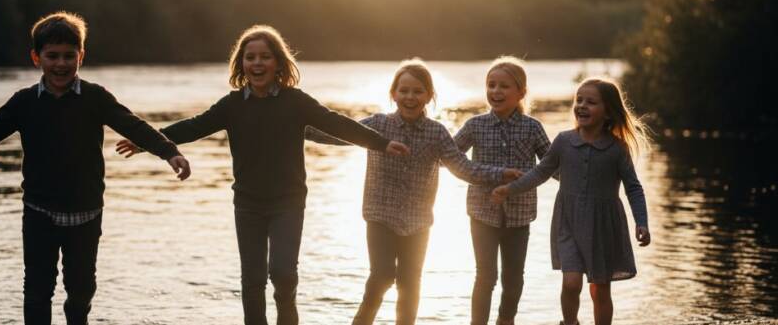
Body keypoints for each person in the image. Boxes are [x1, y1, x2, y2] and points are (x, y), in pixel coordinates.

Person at [116, 25, 409, 325]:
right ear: (241, 64)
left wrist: (381, 143)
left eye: (265, 57)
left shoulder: (295, 101)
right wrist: (147, 142)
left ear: (278, 63)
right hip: (248, 204)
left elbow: (336, 123)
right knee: (253, 279)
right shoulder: (231, 105)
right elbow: (193, 126)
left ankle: (287, 311)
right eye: (250, 57)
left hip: (288, 202)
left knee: (283, 274)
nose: (257, 63)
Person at [0, 12, 190, 325]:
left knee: (81, 288)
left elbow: (132, 125)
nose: (61, 64)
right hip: (39, 211)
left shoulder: (95, 98)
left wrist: (169, 152)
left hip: (86, 213)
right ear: (36, 57)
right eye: (52, 56)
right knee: (37, 290)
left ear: (81, 57)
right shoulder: (24, 102)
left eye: (69, 56)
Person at [306, 58, 520, 325]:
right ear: (393, 94)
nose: (410, 97)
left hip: (418, 222)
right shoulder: (379, 124)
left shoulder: (437, 133)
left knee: (410, 285)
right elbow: (340, 134)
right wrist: (301, 129)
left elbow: (463, 167)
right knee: (382, 275)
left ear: (429, 96)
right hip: (380, 214)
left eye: (418, 91)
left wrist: (499, 174)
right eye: (404, 90)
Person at [491, 77, 651, 325]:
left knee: (600, 289)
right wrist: (509, 189)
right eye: (579, 100)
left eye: (591, 102)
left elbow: (633, 187)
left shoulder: (617, 149)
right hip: (569, 223)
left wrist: (641, 222)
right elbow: (540, 172)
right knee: (571, 282)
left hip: (602, 227)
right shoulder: (564, 141)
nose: (582, 106)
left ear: (608, 112)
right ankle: (570, 323)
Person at [453, 57, 551, 325]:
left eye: (504, 86)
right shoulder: (475, 126)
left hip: (520, 215)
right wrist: (492, 175)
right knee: (485, 276)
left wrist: (583, 182)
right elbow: (450, 157)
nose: (496, 91)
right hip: (481, 212)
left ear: (521, 92)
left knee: (513, 277)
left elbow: (551, 166)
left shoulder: (532, 127)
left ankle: (505, 320)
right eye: (491, 85)